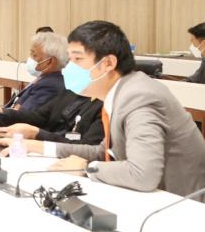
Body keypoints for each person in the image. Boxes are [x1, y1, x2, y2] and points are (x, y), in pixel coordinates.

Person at [46, 21, 205, 197]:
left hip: (180, 204)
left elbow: (143, 174)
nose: (69, 67)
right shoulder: (122, 91)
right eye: (69, 59)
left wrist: (86, 168)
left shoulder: (139, 96)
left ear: (108, 63)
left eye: (77, 59)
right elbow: (103, 152)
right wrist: (42, 147)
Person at [0, 90, 104, 154]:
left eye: (78, 59)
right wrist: (0, 112)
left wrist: (36, 134)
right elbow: (37, 117)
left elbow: (89, 148)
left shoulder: (106, 105)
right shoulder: (71, 93)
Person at [4, 31, 67, 112]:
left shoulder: (48, 86)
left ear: (50, 61)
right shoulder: (44, 79)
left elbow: (22, 115)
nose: (30, 59)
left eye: (34, 55)